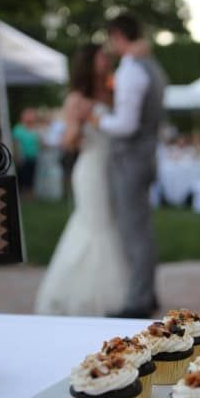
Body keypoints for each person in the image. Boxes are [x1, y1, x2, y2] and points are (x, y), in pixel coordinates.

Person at [35, 44, 129, 316]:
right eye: (102, 56)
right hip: (90, 169)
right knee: (94, 224)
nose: (107, 60)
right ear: (89, 62)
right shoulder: (76, 98)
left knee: (111, 223)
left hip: (114, 170)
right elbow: (67, 143)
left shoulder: (112, 93)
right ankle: (84, 297)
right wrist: (81, 121)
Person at [84, 12, 167, 318]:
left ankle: (138, 301)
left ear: (118, 35)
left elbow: (127, 124)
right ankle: (148, 294)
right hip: (144, 155)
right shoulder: (150, 65)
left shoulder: (132, 68)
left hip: (131, 158)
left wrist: (98, 118)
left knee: (135, 231)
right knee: (140, 227)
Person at [12, 108, 40, 197]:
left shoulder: (35, 129)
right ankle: (23, 194)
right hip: (23, 157)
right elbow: (16, 144)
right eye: (29, 115)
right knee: (23, 176)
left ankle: (29, 194)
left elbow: (39, 142)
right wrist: (17, 156)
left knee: (31, 176)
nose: (31, 117)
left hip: (33, 156)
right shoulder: (18, 129)